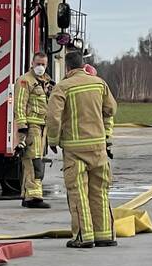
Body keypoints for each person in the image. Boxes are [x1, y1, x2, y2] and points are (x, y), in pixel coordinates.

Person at [45, 49, 118, 248]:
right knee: (100, 192)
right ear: (83, 65)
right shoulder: (99, 83)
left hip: (75, 150)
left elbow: (53, 118)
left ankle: (83, 236)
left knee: (78, 194)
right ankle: (104, 235)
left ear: (67, 67)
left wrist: (52, 141)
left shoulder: (63, 87)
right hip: (99, 148)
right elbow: (111, 109)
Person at [14, 51, 53, 208]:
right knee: (33, 161)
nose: (40, 67)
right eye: (38, 64)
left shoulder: (46, 82)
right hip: (31, 126)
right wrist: (22, 127)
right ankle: (34, 197)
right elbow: (19, 104)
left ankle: (27, 195)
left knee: (33, 160)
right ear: (32, 63)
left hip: (42, 127)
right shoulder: (25, 81)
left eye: (43, 64)